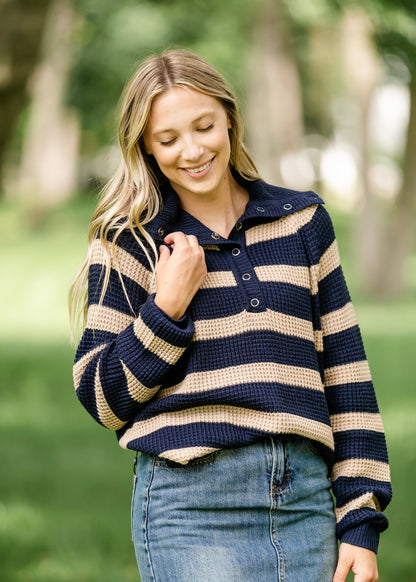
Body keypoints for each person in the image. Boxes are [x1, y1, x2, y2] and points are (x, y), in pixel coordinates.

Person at [70, 49, 391, 582]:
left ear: (230, 120)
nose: (192, 151)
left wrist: (360, 518)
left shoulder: (302, 222)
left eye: (204, 127)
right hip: (190, 509)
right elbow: (102, 398)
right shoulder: (129, 242)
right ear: (145, 148)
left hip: (305, 504)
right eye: (168, 139)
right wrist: (166, 308)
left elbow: (347, 376)